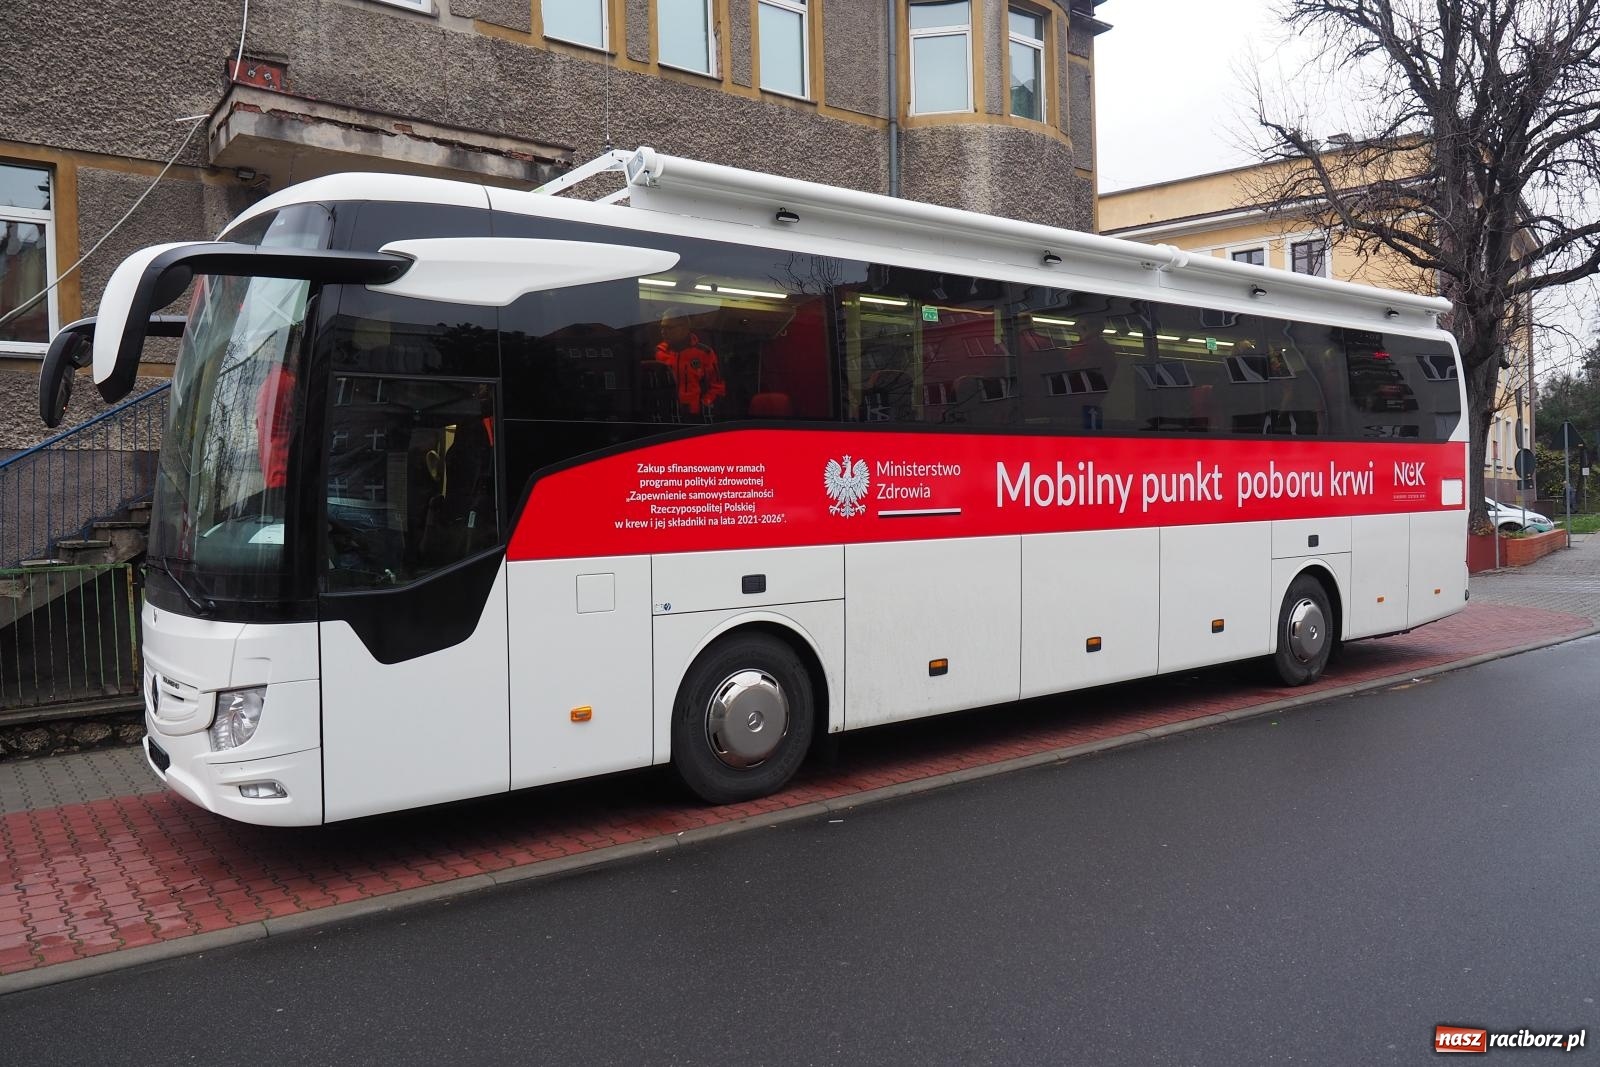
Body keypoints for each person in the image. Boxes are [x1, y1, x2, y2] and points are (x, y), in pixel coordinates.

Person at [655, 309, 725, 418]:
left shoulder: (704, 353)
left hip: (696, 417)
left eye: (669, 328)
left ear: (684, 328)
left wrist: (704, 405)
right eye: (662, 327)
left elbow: (717, 386)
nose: (663, 332)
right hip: (665, 416)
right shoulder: (658, 353)